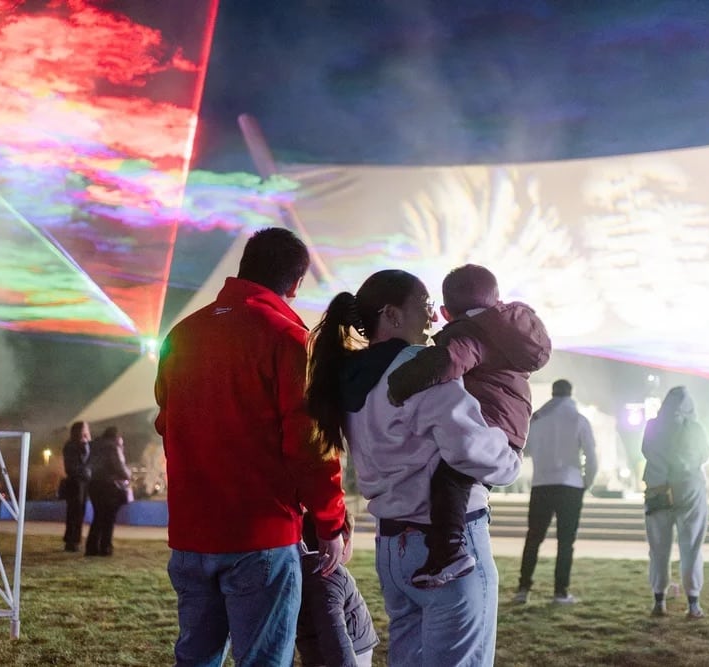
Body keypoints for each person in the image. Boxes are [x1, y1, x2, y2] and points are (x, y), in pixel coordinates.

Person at [306, 269, 521, 666]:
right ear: (391, 314)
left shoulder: (350, 375)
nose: (433, 316)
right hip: (448, 546)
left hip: (393, 549)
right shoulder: (419, 366)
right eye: (424, 305)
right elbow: (469, 446)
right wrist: (509, 460)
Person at [155, 227, 349, 666]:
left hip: (190, 532)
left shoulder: (181, 334)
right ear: (295, 283)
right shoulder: (288, 338)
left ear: (243, 267)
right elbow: (311, 445)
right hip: (261, 533)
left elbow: (167, 423)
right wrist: (330, 522)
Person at [386, 264, 551, 587]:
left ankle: (450, 551)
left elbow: (449, 360)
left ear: (446, 313)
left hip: (491, 425)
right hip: (511, 424)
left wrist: (401, 383)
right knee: (459, 479)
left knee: (449, 478)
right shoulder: (507, 332)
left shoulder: (473, 333)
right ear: (496, 300)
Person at [514, 379, 597, 605]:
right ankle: (561, 592)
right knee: (566, 541)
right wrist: (586, 482)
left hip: (541, 484)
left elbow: (525, 450)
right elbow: (591, 456)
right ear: (571, 393)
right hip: (571, 485)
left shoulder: (538, 418)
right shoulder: (579, 419)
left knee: (533, 538)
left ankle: (523, 588)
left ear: (552, 393)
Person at [641, 386, 709, 619]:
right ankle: (693, 603)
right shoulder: (695, 428)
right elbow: (705, 454)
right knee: (691, 546)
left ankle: (658, 601)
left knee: (658, 547)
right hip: (689, 488)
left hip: (657, 488)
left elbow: (646, 450)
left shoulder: (652, 425)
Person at [296, 513, 379, 667]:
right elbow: (332, 631)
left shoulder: (312, 572)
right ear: (343, 542)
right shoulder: (327, 577)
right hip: (349, 657)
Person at [84, 426, 130, 557]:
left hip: (93, 485)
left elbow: (87, 464)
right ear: (116, 436)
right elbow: (119, 467)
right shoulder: (112, 447)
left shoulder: (93, 446)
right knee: (109, 518)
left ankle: (91, 547)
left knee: (98, 516)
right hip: (109, 486)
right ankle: (105, 547)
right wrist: (128, 474)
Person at [61, 421, 91, 552]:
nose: (87, 430)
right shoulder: (73, 445)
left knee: (77, 511)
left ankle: (73, 540)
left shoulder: (75, 444)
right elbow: (82, 461)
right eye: (85, 428)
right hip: (76, 481)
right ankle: (73, 541)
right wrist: (85, 445)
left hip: (81, 481)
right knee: (76, 512)